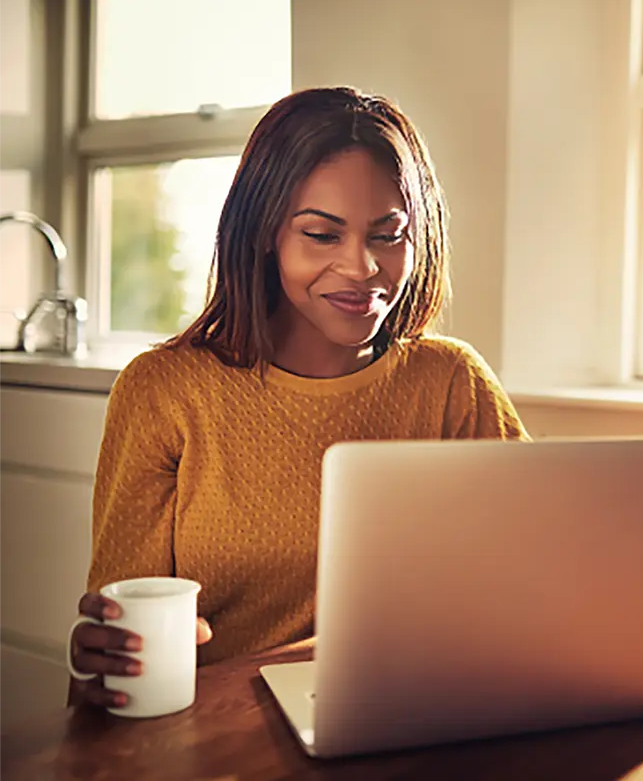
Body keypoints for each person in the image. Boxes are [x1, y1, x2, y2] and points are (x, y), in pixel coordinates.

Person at [67, 86, 528, 710]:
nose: (363, 268)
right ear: (264, 234)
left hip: (410, 716)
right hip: (216, 738)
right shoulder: (165, 391)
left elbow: (536, 583)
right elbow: (113, 652)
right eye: (322, 235)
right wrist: (105, 659)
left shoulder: (452, 385)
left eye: (388, 236)